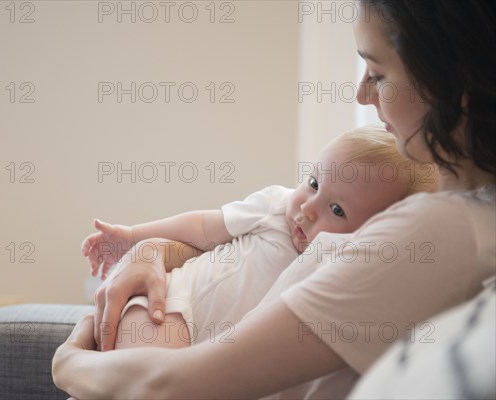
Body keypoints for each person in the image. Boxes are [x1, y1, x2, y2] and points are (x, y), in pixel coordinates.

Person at [52, 1, 496, 398]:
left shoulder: (437, 232)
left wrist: (68, 357)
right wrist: (149, 250)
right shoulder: (457, 220)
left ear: (450, 83)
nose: (361, 93)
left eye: (378, 74)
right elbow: (219, 241)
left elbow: (166, 385)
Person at [81, 126, 439, 350]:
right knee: (153, 377)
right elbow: (202, 227)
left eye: (338, 210)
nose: (309, 208)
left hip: (208, 350)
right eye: (313, 183)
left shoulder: (347, 274)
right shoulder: (275, 205)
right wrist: (133, 236)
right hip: (171, 308)